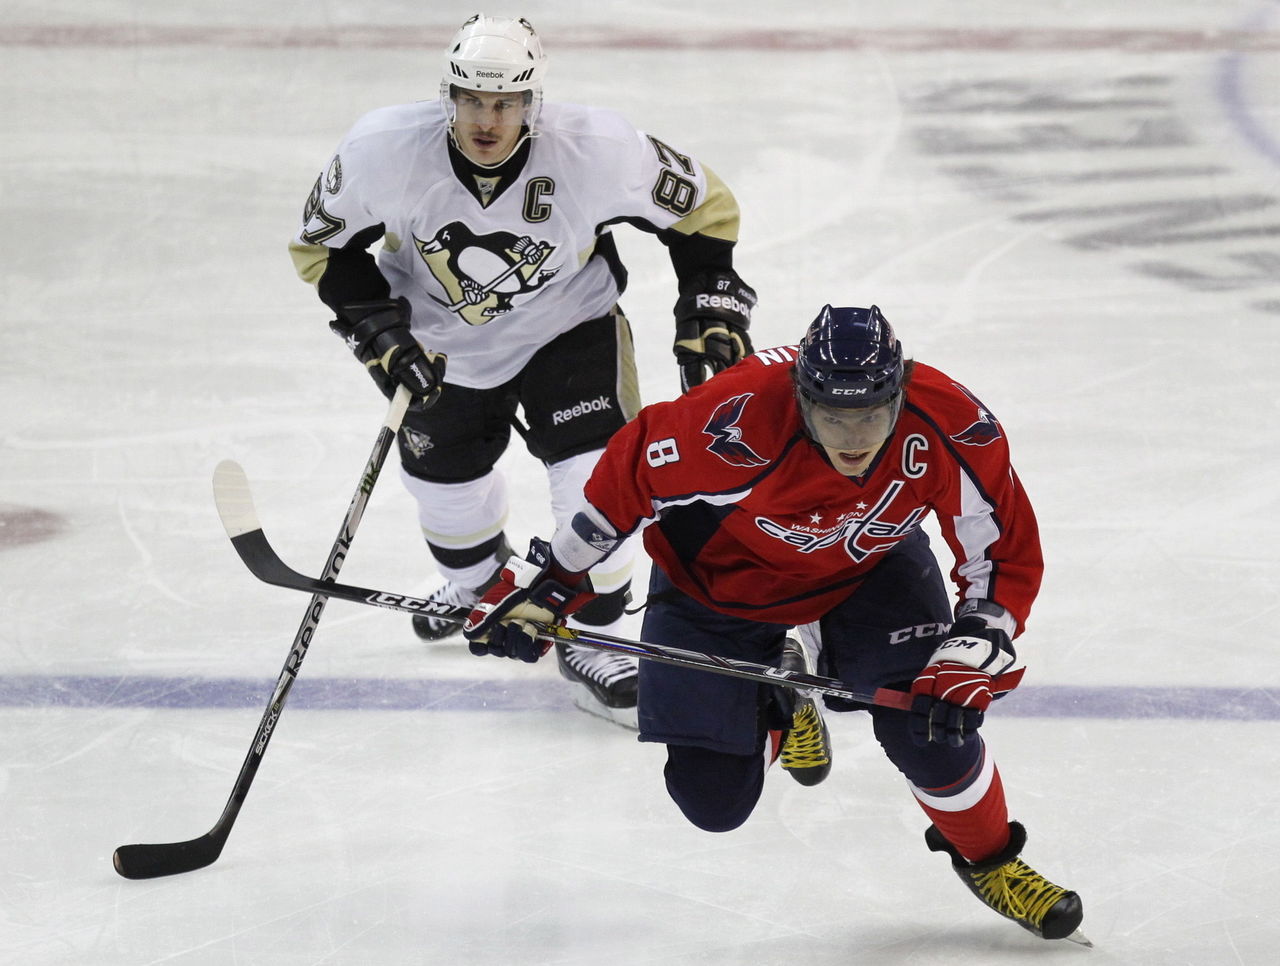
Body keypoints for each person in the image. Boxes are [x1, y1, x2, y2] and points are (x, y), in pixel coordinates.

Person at [463, 304, 1087, 942]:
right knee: (712, 801)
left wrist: (978, 642)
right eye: (833, 417)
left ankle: (992, 862)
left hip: (867, 570)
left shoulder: (950, 424)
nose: (853, 438)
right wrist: (552, 589)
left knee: (928, 722)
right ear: (801, 397)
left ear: (899, 396)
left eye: (871, 415)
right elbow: (624, 484)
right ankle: (783, 701)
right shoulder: (726, 422)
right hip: (719, 584)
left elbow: (1002, 550)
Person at [287, 14, 756, 728]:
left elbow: (703, 209)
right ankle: (481, 586)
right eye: (472, 99)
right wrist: (376, 326)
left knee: (600, 482)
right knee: (446, 496)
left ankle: (591, 632)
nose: (488, 119)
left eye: (505, 102)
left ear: (533, 102)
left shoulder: (597, 147)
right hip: (440, 346)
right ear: (447, 95)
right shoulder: (382, 148)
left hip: (567, 329)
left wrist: (708, 301)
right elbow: (324, 249)